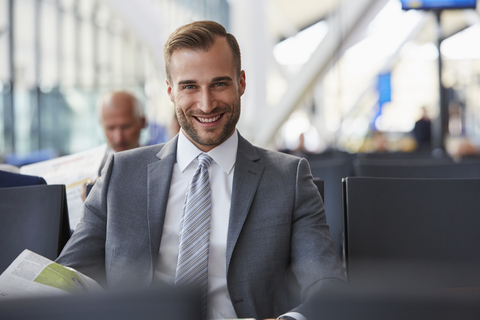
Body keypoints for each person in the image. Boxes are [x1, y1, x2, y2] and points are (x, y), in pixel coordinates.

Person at [56, 21, 345, 320]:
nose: (206, 105)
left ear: (241, 83)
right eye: (190, 86)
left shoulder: (289, 178)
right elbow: (67, 276)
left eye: (219, 83)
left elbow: (328, 286)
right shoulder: (120, 173)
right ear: (170, 90)